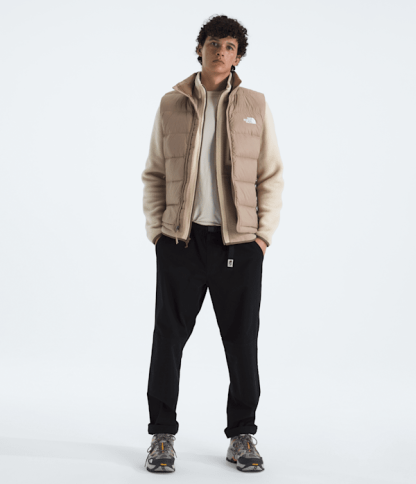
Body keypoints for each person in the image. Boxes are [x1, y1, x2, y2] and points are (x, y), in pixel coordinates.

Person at [141, 14, 284, 473]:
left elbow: (270, 174)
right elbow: (155, 172)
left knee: (241, 342)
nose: (221, 52)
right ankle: (162, 436)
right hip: (181, 243)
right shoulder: (172, 104)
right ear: (200, 48)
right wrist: (158, 232)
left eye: (230, 46)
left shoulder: (255, 104)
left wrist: (261, 238)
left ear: (238, 56)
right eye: (214, 43)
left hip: (238, 246)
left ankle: (242, 434)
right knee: (168, 340)